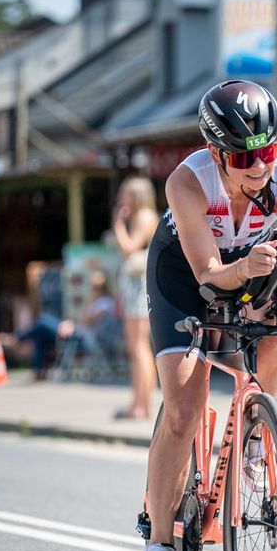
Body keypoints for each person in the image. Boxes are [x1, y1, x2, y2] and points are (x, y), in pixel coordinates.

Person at [135, 80, 277, 551]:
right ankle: (159, 547)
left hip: (251, 270)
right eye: (242, 159)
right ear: (215, 154)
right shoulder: (187, 183)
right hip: (185, 277)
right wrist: (243, 271)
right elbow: (208, 274)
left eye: (268, 151)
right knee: (184, 405)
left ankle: (257, 439)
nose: (258, 167)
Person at [112, 176, 158, 419]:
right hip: (136, 283)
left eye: (125, 192)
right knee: (139, 347)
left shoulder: (143, 217)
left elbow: (129, 247)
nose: (122, 198)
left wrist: (118, 224)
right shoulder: (147, 216)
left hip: (138, 284)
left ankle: (141, 405)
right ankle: (140, 403)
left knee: (138, 347)